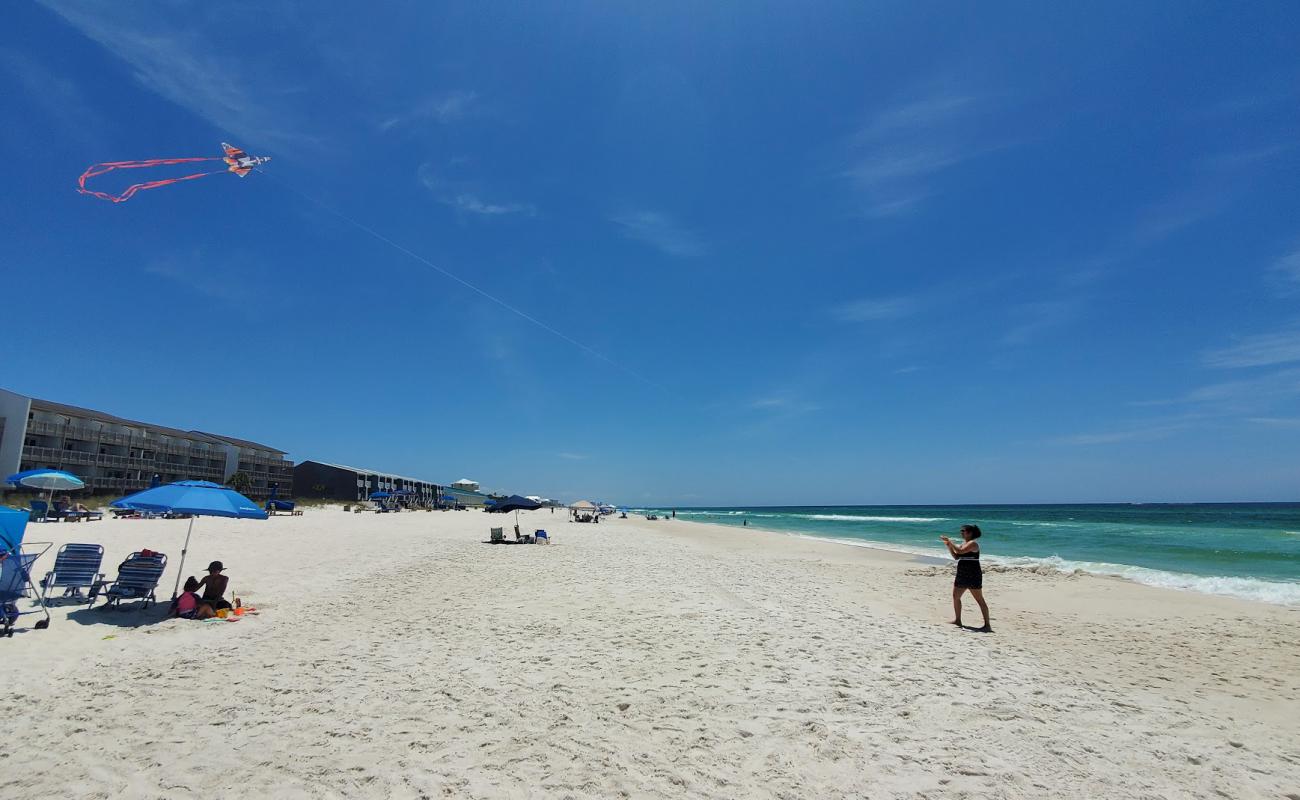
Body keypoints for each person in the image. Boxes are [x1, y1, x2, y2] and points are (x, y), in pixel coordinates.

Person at [941, 524, 991, 632]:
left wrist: (951, 542)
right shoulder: (964, 544)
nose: (961, 533)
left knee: (979, 599)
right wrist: (949, 545)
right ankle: (958, 620)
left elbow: (959, 551)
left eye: (963, 531)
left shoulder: (973, 544)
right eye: (961, 531)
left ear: (970, 533)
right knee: (956, 596)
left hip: (973, 574)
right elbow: (956, 556)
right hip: (962, 573)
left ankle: (987, 625)